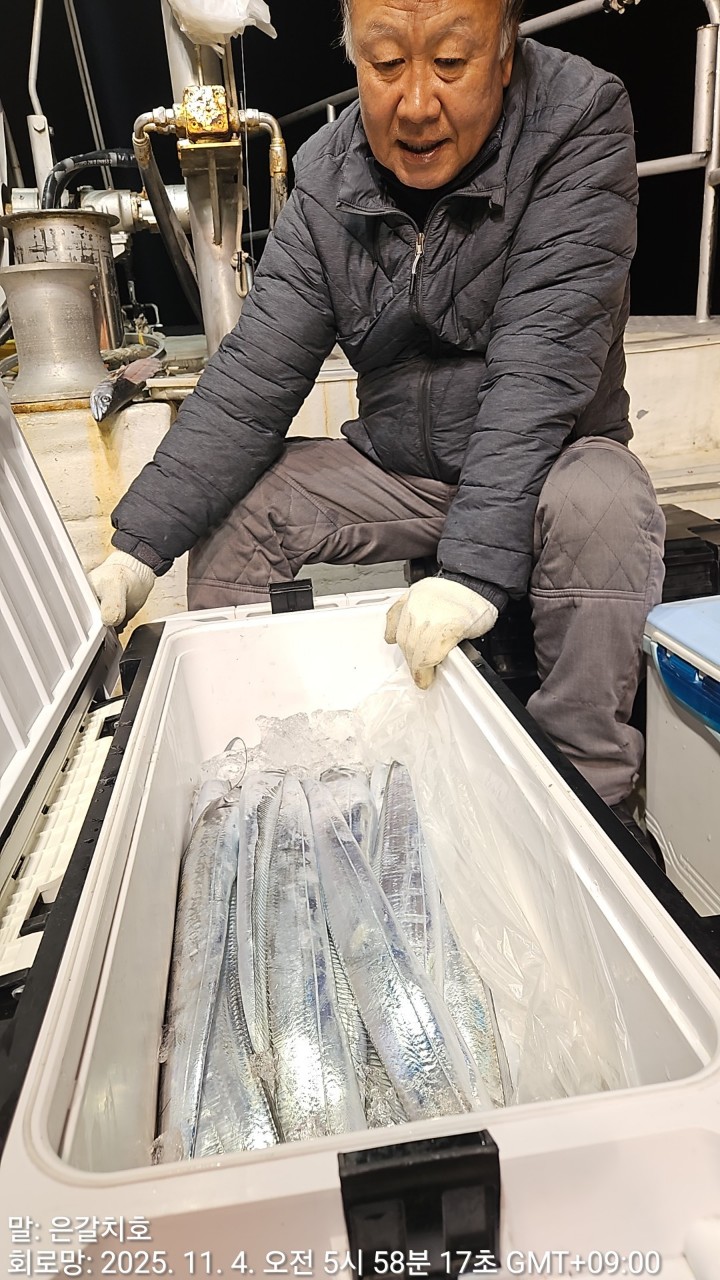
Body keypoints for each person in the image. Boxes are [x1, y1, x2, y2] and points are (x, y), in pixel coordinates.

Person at [89, 0, 665, 835]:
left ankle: (591, 805)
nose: (417, 103)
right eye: (387, 64)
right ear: (355, 58)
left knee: (606, 503)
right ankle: (256, 781)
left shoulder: (579, 119)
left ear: (505, 54)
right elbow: (254, 374)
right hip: (400, 466)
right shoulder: (328, 174)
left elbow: (541, 365)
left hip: (551, 456)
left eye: (451, 63)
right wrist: (136, 548)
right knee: (245, 513)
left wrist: (471, 575)